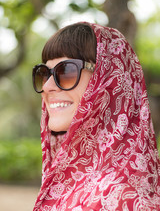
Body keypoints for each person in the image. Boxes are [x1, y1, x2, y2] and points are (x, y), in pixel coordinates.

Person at [32, 22, 160, 210]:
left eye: (66, 71)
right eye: (44, 73)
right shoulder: (76, 181)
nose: (47, 86)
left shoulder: (124, 199)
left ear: (108, 81)